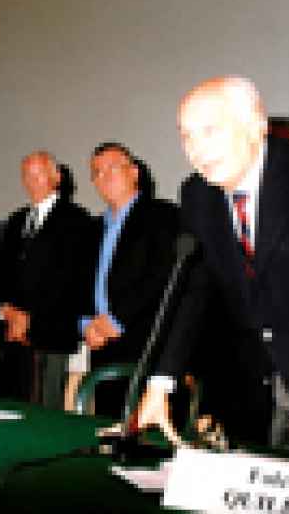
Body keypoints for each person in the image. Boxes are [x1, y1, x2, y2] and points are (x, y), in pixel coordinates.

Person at [138, 76, 289, 450]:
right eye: (187, 136)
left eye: (210, 131)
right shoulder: (197, 194)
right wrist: (162, 381)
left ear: (256, 124)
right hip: (255, 399)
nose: (196, 149)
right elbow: (195, 291)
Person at [0, 151, 95, 409]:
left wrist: (31, 320)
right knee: (8, 406)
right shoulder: (16, 220)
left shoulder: (77, 220)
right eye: (26, 175)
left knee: (43, 408)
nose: (31, 181)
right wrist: (8, 310)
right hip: (12, 335)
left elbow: (74, 282)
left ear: (56, 177)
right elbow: (2, 272)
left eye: (38, 174)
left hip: (51, 334)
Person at [84, 143, 180, 417]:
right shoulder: (93, 227)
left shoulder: (163, 215)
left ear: (134, 172)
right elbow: (81, 282)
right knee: (106, 427)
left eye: (112, 168)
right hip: (101, 345)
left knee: (146, 432)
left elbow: (162, 276)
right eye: (97, 172)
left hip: (147, 344)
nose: (104, 176)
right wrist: (87, 324)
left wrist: (117, 319)